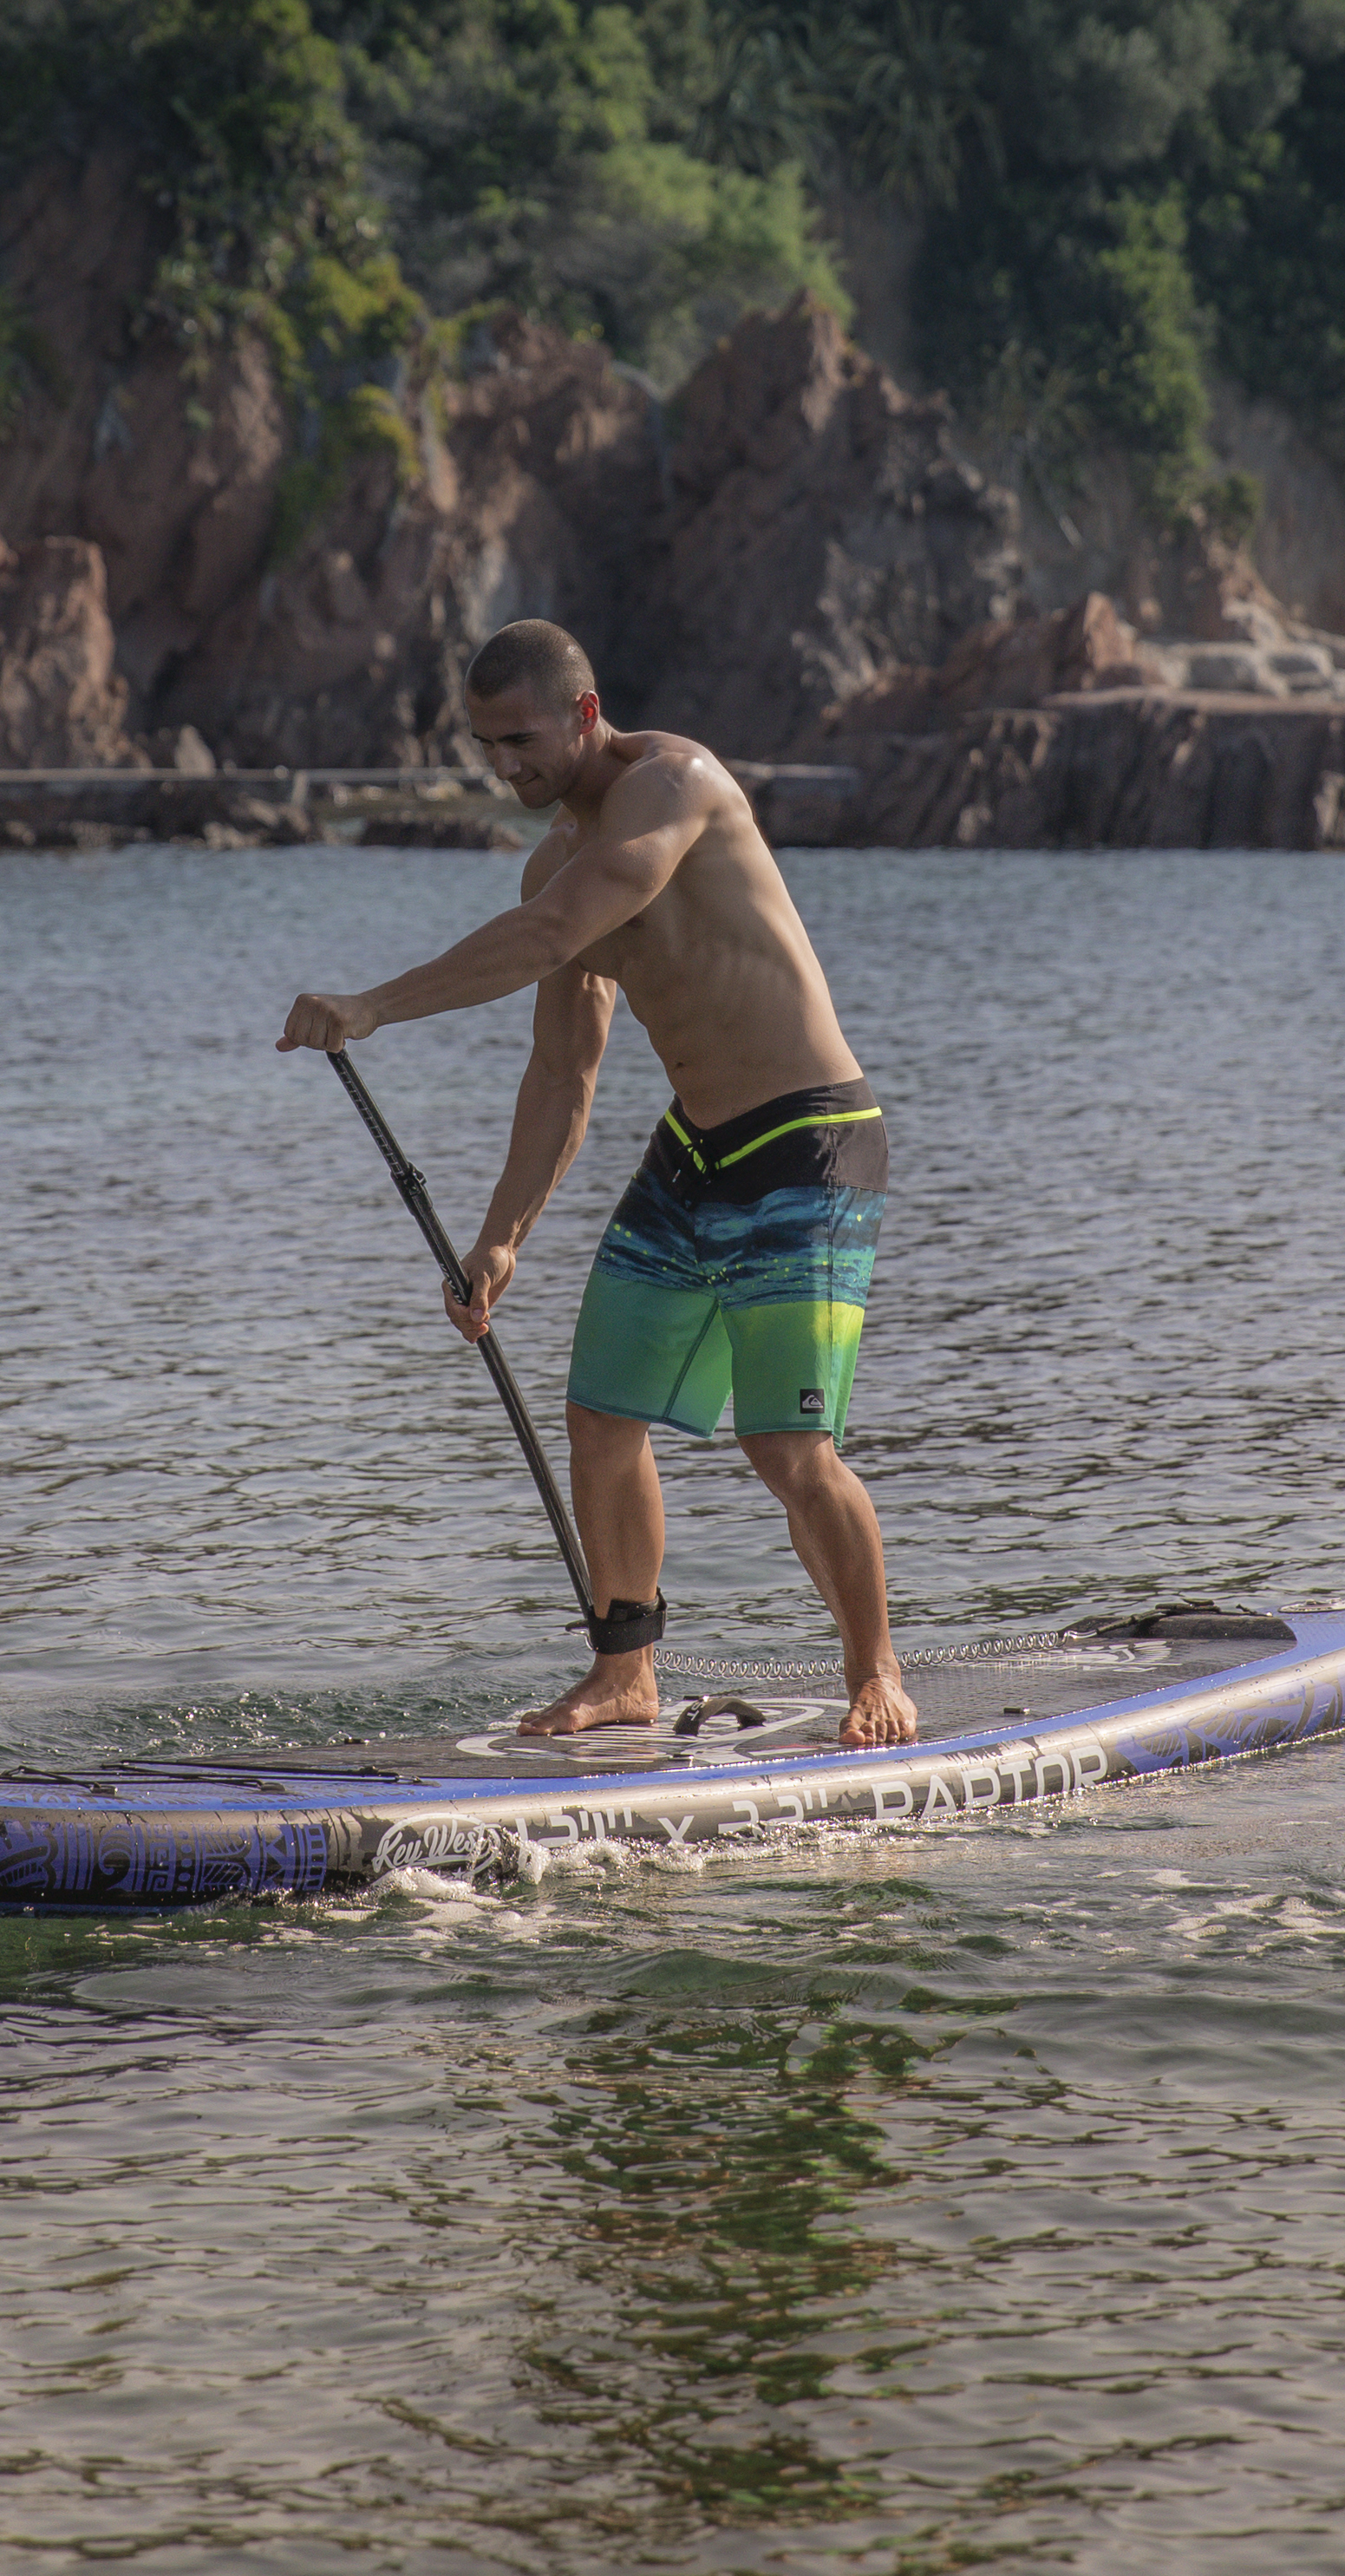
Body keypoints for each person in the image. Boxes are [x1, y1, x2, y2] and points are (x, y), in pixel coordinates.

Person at [276, 619, 916, 1746]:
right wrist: (502, 1236)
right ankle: (624, 1672)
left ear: (582, 713)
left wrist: (375, 1005)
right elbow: (563, 1071)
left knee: (787, 1451)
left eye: (518, 739)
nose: (503, 767)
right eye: (483, 746)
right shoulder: (546, 862)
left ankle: (877, 1672)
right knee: (601, 1413)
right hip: (696, 1152)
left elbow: (558, 925)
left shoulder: (678, 785)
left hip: (806, 1143)